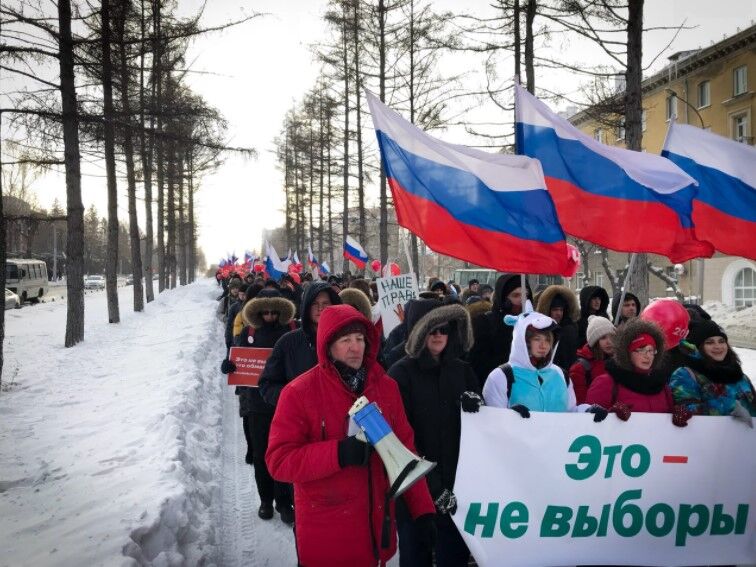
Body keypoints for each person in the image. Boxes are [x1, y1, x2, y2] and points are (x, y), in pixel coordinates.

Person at [266, 305, 437, 567]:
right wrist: (339, 453)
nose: (355, 347)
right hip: (326, 539)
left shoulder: (386, 387)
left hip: (376, 533)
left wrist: (423, 511)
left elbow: (406, 450)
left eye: (359, 339)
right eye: (345, 340)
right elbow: (279, 461)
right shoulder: (299, 393)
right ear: (327, 345)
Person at [388, 304, 479, 567]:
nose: (439, 335)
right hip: (415, 489)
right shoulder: (400, 373)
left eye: (444, 329)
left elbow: (481, 430)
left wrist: (478, 405)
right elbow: (398, 439)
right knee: (416, 556)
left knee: (454, 557)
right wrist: (432, 487)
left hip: (457, 487)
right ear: (418, 332)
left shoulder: (462, 370)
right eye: (431, 329)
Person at [220, 289, 297, 523]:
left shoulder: (293, 332)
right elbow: (239, 360)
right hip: (257, 405)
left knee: (284, 453)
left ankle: (284, 501)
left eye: (275, 311)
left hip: (287, 403)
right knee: (261, 454)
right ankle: (265, 499)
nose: (270, 316)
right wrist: (230, 366)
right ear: (258, 311)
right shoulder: (247, 332)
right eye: (265, 312)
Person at [482, 312, 605, 419]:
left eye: (548, 340)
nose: (543, 345)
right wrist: (509, 416)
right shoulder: (501, 377)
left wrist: (587, 411)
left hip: (556, 445)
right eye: (537, 339)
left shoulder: (561, 375)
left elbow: (570, 413)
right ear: (523, 341)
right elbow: (491, 424)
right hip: (516, 445)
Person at [586, 319, 691, 426]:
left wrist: (677, 415)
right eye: (640, 349)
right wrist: (611, 417)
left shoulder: (661, 384)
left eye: (651, 350)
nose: (647, 356)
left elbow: (666, 418)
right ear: (627, 352)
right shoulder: (606, 383)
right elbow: (587, 421)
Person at [258, 281, 342, 408]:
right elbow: (268, 383)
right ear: (307, 307)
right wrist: (295, 399)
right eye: (315, 303)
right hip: (300, 419)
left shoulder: (344, 338)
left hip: (337, 417)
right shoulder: (288, 342)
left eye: (325, 303)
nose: (320, 308)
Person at [670, 320, 755, 424]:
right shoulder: (685, 375)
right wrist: (730, 407)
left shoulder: (740, 376)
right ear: (698, 347)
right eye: (709, 342)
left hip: (745, 438)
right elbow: (686, 411)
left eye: (721, 341)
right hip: (707, 439)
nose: (718, 346)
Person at [469, 274, 532, 385]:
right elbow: (477, 365)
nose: (522, 300)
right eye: (516, 295)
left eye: (526, 295)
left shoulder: (533, 324)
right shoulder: (484, 323)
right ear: (503, 298)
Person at [569, 315, 616, 405]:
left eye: (612, 336)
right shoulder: (580, 368)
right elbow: (581, 404)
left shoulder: (620, 362)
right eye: (603, 338)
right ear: (594, 341)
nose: (609, 341)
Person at [535, 285, 580, 373]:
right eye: (555, 310)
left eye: (561, 310)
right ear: (548, 310)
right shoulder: (541, 330)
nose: (559, 313)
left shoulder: (568, 331)